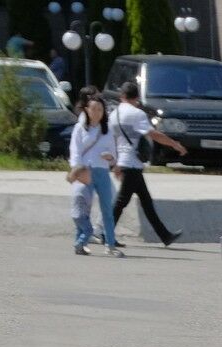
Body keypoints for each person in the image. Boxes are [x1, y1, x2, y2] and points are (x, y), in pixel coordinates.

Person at [111, 81, 187, 247]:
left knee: (146, 202)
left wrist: (115, 164)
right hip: (132, 163)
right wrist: (174, 144)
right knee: (121, 202)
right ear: (136, 98)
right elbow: (153, 134)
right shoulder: (137, 114)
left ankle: (165, 235)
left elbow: (113, 141)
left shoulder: (113, 114)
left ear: (121, 96)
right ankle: (105, 233)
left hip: (126, 162)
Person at [69, 96, 122, 257]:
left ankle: (110, 244)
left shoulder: (107, 130)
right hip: (85, 171)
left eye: (100, 109)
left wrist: (110, 158)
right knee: (83, 207)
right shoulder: (79, 128)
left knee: (107, 209)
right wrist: (78, 170)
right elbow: (75, 152)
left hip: (102, 172)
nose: (97, 112)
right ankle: (81, 242)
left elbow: (114, 154)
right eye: (93, 109)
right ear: (87, 109)